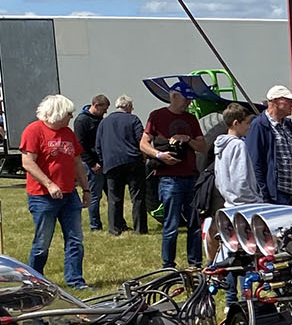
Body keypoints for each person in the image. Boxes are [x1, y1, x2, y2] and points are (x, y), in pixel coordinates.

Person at [20, 94, 89, 291]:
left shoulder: (68, 133)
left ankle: (76, 281)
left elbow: (77, 162)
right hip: (42, 197)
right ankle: (35, 281)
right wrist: (49, 184)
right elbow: (28, 163)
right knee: (42, 242)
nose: (71, 117)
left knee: (75, 240)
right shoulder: (33, 131)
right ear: (57, 113)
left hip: (69, 195)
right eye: (69, 114)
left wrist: (86, 189)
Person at [142, 89, 207, 268]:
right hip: (169, 178)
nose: (188, 103)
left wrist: (187, 139)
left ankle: (195, 263)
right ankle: (168, 264)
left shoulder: (191, 119)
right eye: (186, 99)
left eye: (190, 100)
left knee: (194, 223)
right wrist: (160, 155)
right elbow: (143, 144)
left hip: (190, 176)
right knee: (171, 224)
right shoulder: (157, 116)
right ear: (174, 97)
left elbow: (203, 146)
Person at [98, 94, 147, 236]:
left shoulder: (104, 122)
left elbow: (98, 145)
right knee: (137, 197)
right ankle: (140, 229)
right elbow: (141, 140)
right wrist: (144, 157)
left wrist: (102, 161)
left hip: (111, 163)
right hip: (133, 161)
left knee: (114, 198)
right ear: (128, 106)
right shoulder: (133, 119)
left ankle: (114, 228)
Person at [247, 85, 292, 205]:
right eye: (288, 101)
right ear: (275, 102)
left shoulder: (287, 125)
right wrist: (264, 196)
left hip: (289, 191)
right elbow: (254, 163)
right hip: (274, 194)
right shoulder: (259, 126)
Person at [213, 104, 260, 208]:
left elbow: (218, 179)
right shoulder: (238, 145)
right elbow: (240, 178)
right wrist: (253, 200)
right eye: (247, 123)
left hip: (229, 202)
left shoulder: (221, 145)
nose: (249, 127)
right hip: (245, 204)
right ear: (236, 123)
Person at [74, 94, 109, 232]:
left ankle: (116, 223)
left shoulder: (100, 120)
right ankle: (95, 225)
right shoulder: (82, 121)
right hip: (91, 164)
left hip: (104, 162)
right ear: (96, 106)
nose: (105, 112)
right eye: (104, 109)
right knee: (95, 195)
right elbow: (80, 145)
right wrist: (92, 163)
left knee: (111, 194)